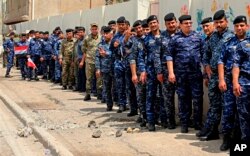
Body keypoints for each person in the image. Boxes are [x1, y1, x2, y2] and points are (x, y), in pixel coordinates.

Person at [199, 10, 234, 140]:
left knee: (228, 107)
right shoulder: (212, 38)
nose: (219, 24)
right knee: (214, 105)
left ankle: (227, 137)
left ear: (226, 22)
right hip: (213, 76)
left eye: (221, 22)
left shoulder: (231, 37)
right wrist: (207, 67)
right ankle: (212, 132)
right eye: (217, 22)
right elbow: (206, 54)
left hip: (227, 77)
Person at [166, 15, 204, 133]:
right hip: (181, 75)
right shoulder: (175, 39)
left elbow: (204, 55)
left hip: (195, 74)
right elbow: (169, 56)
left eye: (190, 23)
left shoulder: (198, 37)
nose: (188, 25)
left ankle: (197, 123)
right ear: (180, 25)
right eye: (186, 23)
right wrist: (171, 72)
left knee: (197, 98)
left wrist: (206, 71)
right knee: (183, 98)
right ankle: (184, 123)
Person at [217, 15, 248, 151]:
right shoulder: (228, 42)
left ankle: (241, 142)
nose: (239, 28)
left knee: (244, 114)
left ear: (246, 26)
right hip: (230, 82)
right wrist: (222, 79)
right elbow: (220, 61)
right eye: (237, 26)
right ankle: (227, 139)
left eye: (242, 25)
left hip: (246, 82)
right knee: (229, 111)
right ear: (234, 27)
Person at [139, 15, 167, 131]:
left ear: (158, 23)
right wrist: (143, 70)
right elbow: (141, 56)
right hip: (150, 72)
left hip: (164, 71)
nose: (153, 25)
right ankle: (151, 121)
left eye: (154, 22)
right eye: (151, 24)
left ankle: (164, 119)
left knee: (164, 96)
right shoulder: (145, 39)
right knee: (150, 96)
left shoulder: (165, 36)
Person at [159, 13, 179, 129]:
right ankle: (170, 120)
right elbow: (157, 55)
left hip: (181, 71)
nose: (171, 25)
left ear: (176, 22)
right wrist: (159, 72)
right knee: (168, 97)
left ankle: (184, 120)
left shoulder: (181, 35)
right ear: (165, 24)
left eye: (173, 22)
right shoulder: (161, 36)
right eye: (168, 23)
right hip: (166, 71)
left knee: (182, 97)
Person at [232, 25, 250, 143]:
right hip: (245, 83)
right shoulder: (244, 44)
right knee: (244, 116)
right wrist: (235, 83)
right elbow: (236, 64)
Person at [110, 16, 128, 113]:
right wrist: (114, 46)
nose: (121, 26)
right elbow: (111, 50)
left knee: (129, 85)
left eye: (123, 24)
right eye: (119, 25)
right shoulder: (115, 37)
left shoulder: (129, 35)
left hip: (128, 62)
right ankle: (122, 104)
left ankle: (130, 104)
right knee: (120, 85)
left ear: (126, 25)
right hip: (118, 62)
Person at [81, 23, 102, 101]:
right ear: (90, 30)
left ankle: (99, 93)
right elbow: (83, 49)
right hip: (89, 60)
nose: (94, 30)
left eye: (95, 29)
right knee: (89, 78)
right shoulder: (87, 38)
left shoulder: (101, 38)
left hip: (99, 61)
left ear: (98, 29)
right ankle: (88, 93)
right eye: (92, 29)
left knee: (99, 78)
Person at [95, 26, 114, 111]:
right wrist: (98, 69)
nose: (105, 35)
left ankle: (122, 104)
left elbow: (117, 54)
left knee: (118, 87)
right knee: (107, 87)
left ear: (111, 33)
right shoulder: (100, 45)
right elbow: (97, 57)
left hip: (115, 69)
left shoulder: (115, 43)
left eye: (107, 33)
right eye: (104, 34)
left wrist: (106, 53)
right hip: (105, 69)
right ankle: (109, 104)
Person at [74, 27, 86, 92]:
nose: (80, 34)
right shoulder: (79, 40)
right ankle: (80, 87)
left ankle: (83, 88)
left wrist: (82, 61)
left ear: (84, 32)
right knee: (80, 74)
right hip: (79, 59)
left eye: (81, 32)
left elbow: (85, 52)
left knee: (83, 74)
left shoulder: (85, 40)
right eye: (79, 32)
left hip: (83, 60)